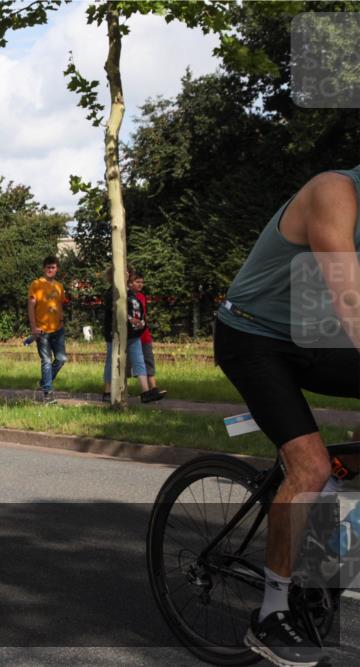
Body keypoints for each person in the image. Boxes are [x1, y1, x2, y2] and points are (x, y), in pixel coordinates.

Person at [214, 165, 360, 667]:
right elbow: (350, 300)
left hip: (310, 334)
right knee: (311, 468)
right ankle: (271, 612)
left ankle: (332, 532)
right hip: (253, 336)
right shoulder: (334, 193)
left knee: (342, 476)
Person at [101, 266, 165, 403]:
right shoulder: (111, 292)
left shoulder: (131, 293)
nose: (127, 273)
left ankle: (146, 392)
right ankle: (107, 391)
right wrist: (131, 319)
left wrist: (141, 322)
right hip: (115, 334)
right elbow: (115, 310)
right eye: (124, 271)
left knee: (139, 360)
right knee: (112, 362)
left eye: (128, 271)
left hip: (133, 334)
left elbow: (137, 309)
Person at [28, 256, 68, 404]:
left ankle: (45, 382)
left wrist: (62, 322)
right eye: (48, 267)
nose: (50, 270)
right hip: (42, 330)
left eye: (53, 267)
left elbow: (59, 306)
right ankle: (48, 394)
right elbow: (31, 306)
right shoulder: (36, 284)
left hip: (58, 329)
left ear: (57, 269)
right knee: (46, 360)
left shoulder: (59, 286)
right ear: (44, 268)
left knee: (61, 359)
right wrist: (34, 327)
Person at [129, 271, 165, 395]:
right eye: (137, 282)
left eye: (142, 282)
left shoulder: (142, 297)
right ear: (130, 283)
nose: (140, 285)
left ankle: (153, 388)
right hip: (133, 334)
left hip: (144, 333)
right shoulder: (128, 297)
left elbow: (144, 314)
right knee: (130, 363)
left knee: (148, 359)